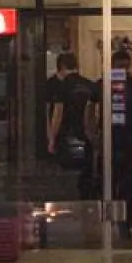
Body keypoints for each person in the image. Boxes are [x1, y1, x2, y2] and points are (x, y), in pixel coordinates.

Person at [91, 48, 132, 245]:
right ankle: (121, 222)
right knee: (122, 183)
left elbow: (90, 110)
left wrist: (93, 133)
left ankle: (116, 222)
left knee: (114, 183)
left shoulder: (104, 84)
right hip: (123, 139)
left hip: (118, 139)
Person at [43, 50, 96, 182]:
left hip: (65, 134)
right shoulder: (89, 85)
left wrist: (51, 138)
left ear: (60, 67)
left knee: (64, 177)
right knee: (85, 172)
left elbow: (57, 114)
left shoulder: (60, 86)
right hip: (87, 135)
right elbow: (94, 111)